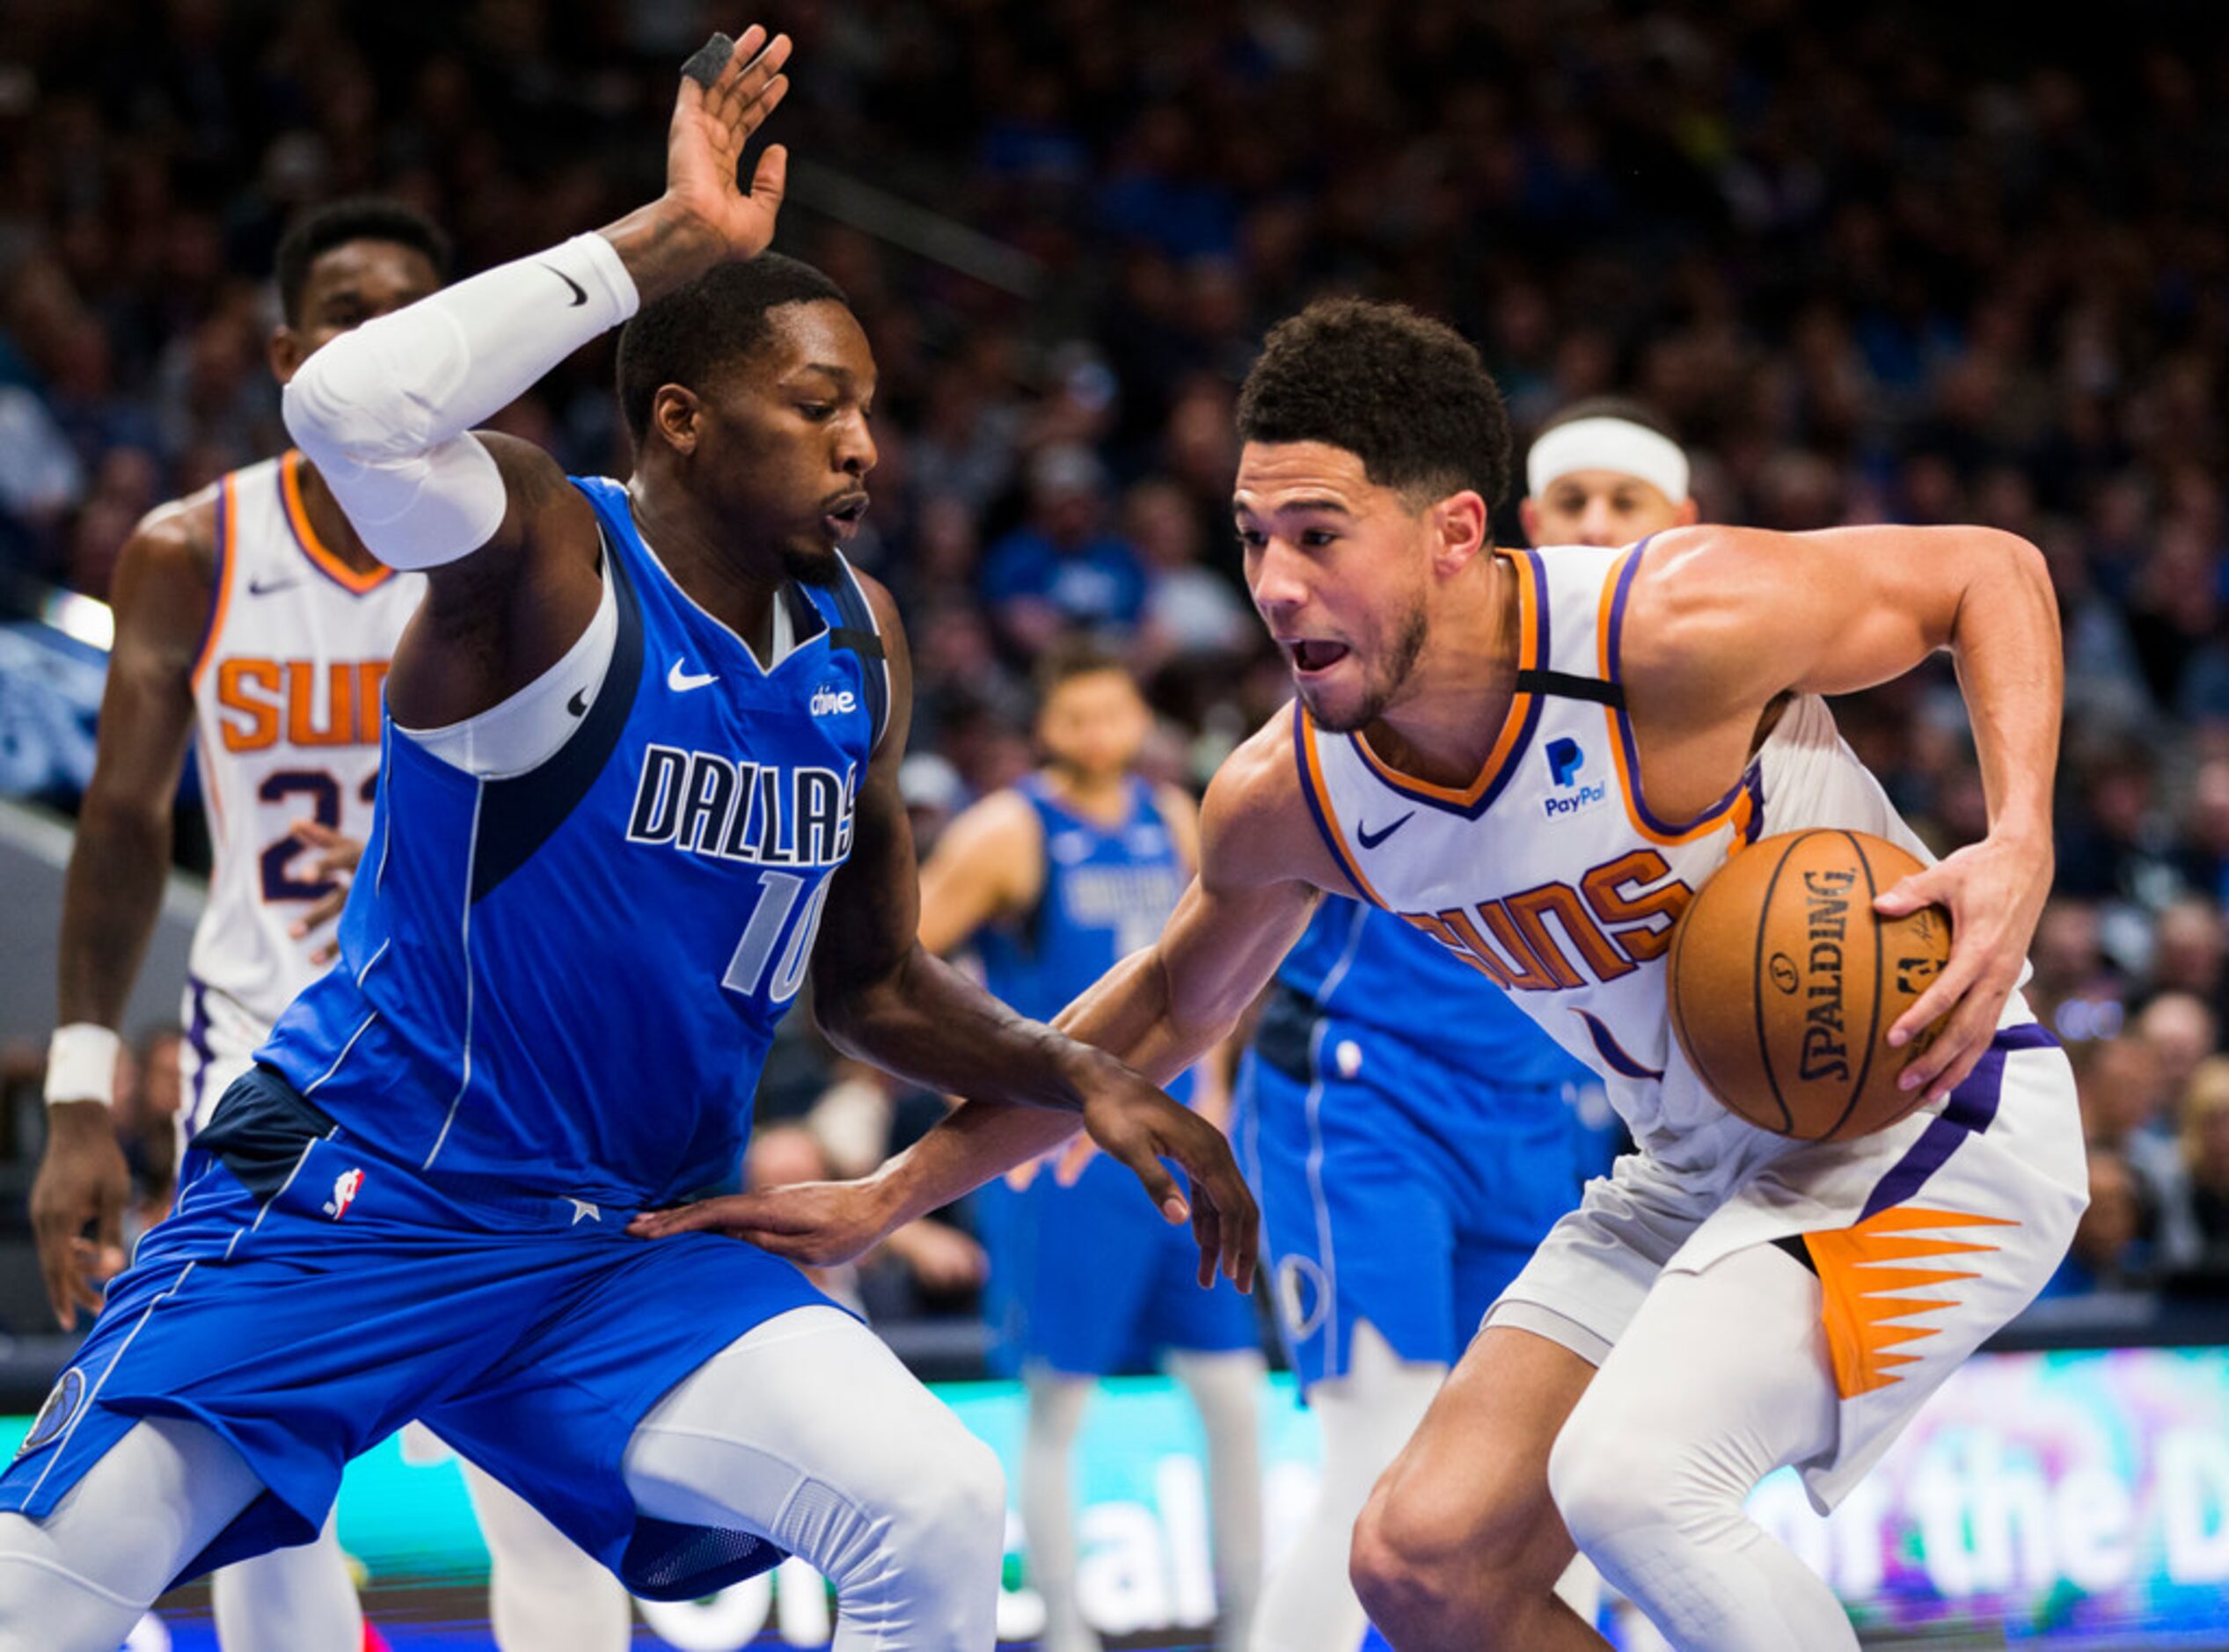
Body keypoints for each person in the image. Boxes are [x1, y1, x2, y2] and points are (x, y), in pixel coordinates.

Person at [2, 29, 1255, 1652]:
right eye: (816, 403)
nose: (863, 442)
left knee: (933, 1501)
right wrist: (666, 242)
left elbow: (867, 980)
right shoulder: (540, 557)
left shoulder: (853, 640)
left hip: (611, 1240)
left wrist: (1064, 1064)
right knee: (43, 1594)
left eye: (870, 408)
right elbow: (344, 404)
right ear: (677, 417)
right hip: (358, 1192)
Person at [659, 297, 2086, 1652]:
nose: (1275, 587)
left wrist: (2015, 834)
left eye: (1319, 535)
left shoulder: (1661, 630)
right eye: (1250, 537)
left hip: (1924, 1114)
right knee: (1418, 1557)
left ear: (1454, 532)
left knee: (1636, 1480)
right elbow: (1159, 1011)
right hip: (1693, 1166)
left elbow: (1988, 572)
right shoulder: (1290, 796)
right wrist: (890, 1192)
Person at [37, 194, 635, 1652]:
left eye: (422, 316)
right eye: (355, 317)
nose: (391, 345)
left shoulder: (539, 543)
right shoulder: (194, 545)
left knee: (548, 1482)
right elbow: (119, 822)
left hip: (501, 1065)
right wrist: (77, 1097)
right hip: (269, 1068)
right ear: (292, 351)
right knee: (245, 1489)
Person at [1236, 396, 1697, 1652]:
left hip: (1543, 1117)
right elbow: (1213, 931)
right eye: (1576, 502)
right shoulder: (1398, 655)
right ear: (1513, 529)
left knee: (1546, 1489)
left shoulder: (1704, 681)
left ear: (1687, 529)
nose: (1599, 522)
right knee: (1379, 1457)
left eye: (1629, 502)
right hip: (1362, 1094)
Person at [918, 641, 1262, 1652]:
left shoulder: (1167, 817)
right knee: (1056, 1404)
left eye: (1116, 715)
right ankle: (1063, 1633)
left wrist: (1224, 1086)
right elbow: (903, 966)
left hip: (1175, 1150)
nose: (1100, 735)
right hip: (1058, 1164)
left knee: (1234, 1398)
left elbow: (1224, 966)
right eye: (1079, 717)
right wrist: (974, 1093)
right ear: (1048, 727)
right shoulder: (1006, 830)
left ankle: (1254, 1632)